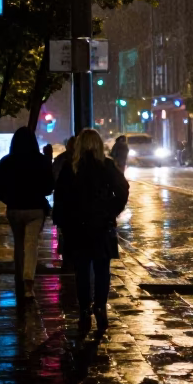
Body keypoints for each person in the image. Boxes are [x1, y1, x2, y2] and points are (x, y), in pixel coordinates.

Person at [54, 129, 129, 335]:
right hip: (101, 226)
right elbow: (123, 189)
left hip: (77, 227)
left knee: (82, 269)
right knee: (102, 268)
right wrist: (111, 210)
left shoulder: (71, 168)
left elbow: (60, 197)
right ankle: (100, 305)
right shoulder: (106, 166)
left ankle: (85, 308)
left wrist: (64, 221)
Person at [0, 127, 55, 300]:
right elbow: (49, 187)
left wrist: (9, 199)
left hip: (14, 208)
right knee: (31, 244)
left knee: (19, 245)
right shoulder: (41, 161)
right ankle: (29, 283)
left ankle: (19, 278)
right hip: (35, 209)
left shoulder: (6, 162)